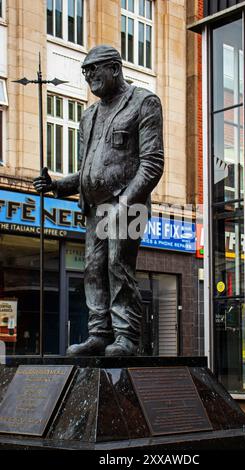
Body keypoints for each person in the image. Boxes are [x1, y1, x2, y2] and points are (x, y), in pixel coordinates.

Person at [33, 45, 164, 356]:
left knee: (118, 266)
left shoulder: (144, 102)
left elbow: (152, 163)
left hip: (127, 204)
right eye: (85, 71)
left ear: (114, 69)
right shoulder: (90, 114)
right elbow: (89, 169)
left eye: (94, 69)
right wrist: (57, 185)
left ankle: (126, 338)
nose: (88, 75)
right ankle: (99, 334)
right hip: (95, 208)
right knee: (93, 268)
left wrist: (126, 202)